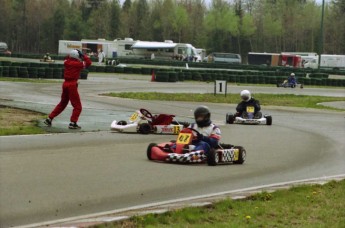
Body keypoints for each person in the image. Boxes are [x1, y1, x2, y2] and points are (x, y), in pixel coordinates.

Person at [44, 49, 92, 129]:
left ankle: (49, 118)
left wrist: (73, 53)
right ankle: (73, 122)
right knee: (77, 106)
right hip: (72, 85)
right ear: (77, 56)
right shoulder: (78, 64)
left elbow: (67, 57)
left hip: (65, 84)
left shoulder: (66, 62)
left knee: (62, 103)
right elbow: (89, 63)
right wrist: (83, 56)